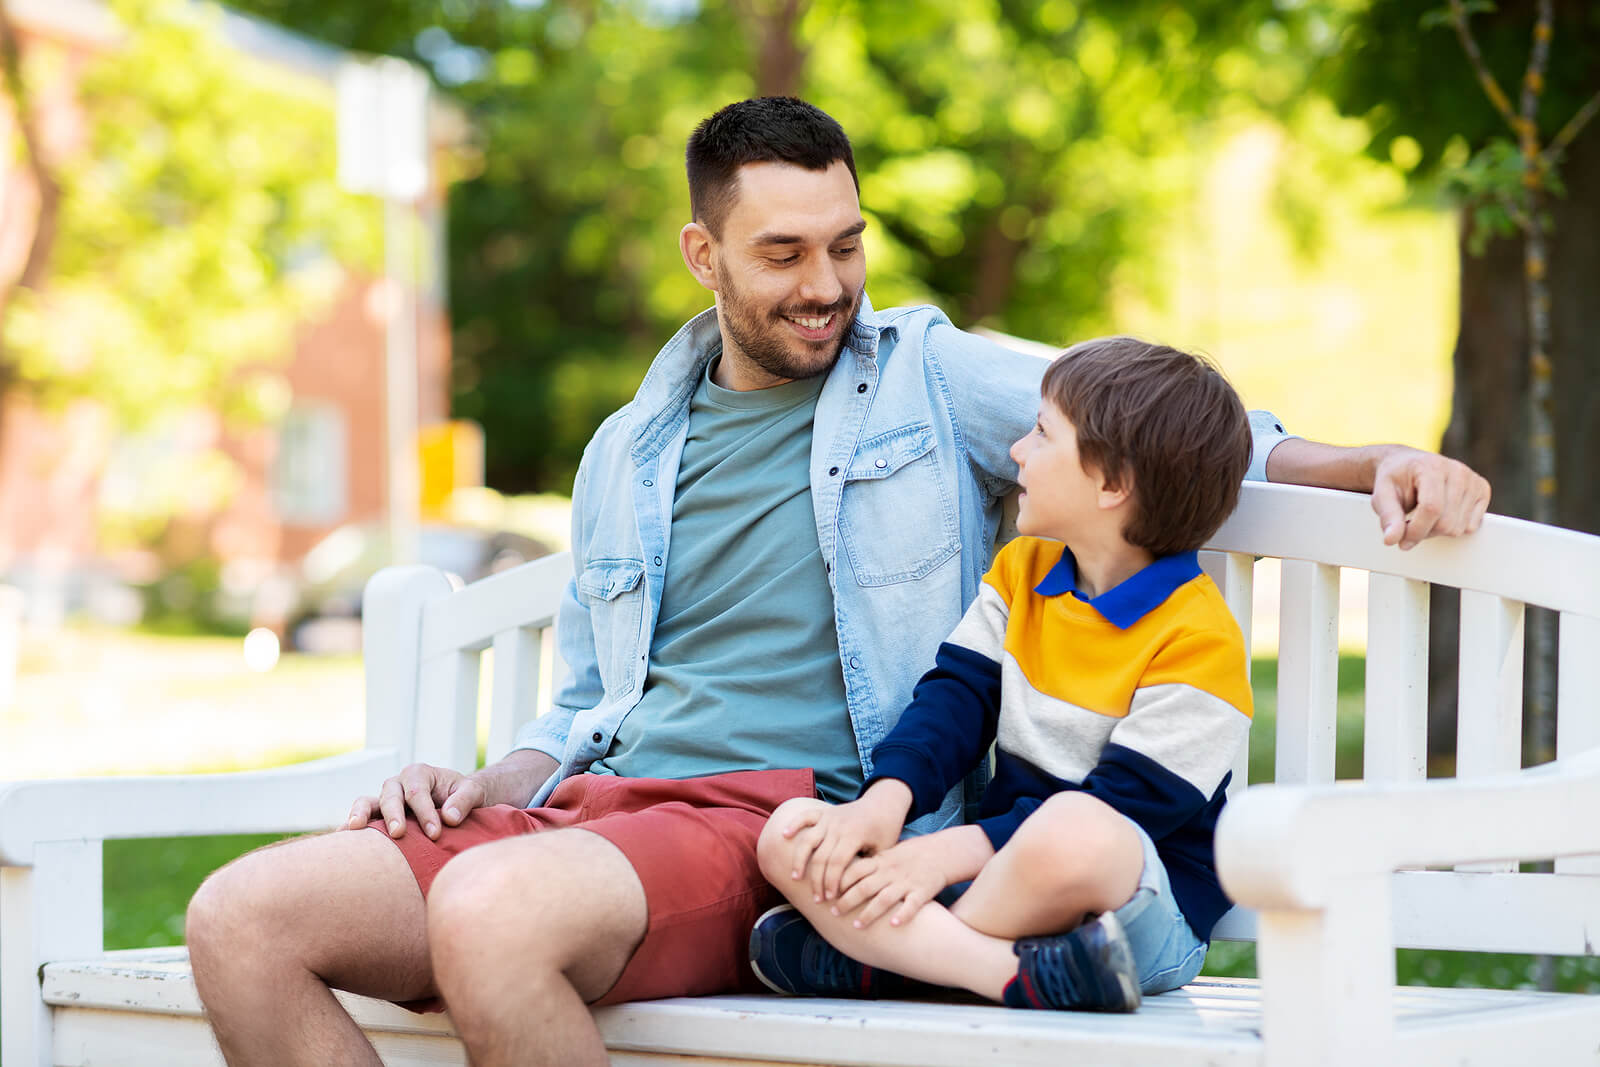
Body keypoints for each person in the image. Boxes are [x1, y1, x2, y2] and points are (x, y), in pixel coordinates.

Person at [184, 97, 1491, 1067]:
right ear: (706, 257)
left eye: (845, 246)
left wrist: (1370, 456)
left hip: (787, 820)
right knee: (241, 915)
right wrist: (483, 778)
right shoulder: (629, 446)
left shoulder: (924, 371)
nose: (827, 287)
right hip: (598, 806)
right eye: (785, 255)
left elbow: (1163, 426)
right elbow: (586, 689)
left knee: (486, 910)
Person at [750, 337, 1254, 1012]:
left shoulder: (1199, 639)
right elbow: (955, 700)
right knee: (791, 831)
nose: (1018, 449)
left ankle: (894, 958)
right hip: (995, 881)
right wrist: (884, 801)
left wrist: (944, 855)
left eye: (1043, 434)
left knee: (1077, 825)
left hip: (1132, 919)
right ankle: (999, 972)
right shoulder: (1026, 572)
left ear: (1111, 484)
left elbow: (1125, 810)